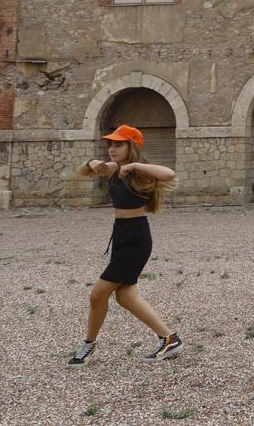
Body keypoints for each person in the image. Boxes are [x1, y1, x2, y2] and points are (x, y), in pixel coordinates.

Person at [67, 124, 182, 366]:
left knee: (98, 294)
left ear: (131, 146)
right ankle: (168, 338)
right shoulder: (111, 170)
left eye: (118, 144)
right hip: (120, 235)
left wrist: (136, 165)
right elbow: (80, 171)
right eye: (110, 144)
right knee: (126, 296)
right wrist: (90, 163)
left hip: (137, 237)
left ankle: (88, 344)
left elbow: (169, 174)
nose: (112, 148)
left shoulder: (139, 171)